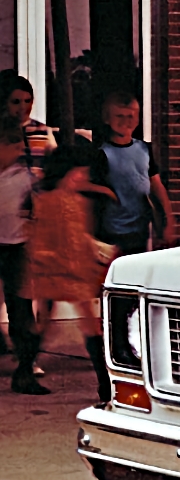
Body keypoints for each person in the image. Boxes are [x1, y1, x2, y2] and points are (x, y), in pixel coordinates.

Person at [23, 145, 115, 400]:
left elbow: (79, 237)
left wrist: (98, 250)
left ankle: (25, 368)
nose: (82, 178)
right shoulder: (49, 203)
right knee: (82, 324)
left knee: (50, 322)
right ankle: (104, 385)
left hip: (69, 271)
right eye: (79, 174)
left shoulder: (74, 201)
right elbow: (41, 238)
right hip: (59, 271)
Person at [90, 89, 176, 254]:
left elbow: (156, 185)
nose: (125, 121)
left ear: (137, 119)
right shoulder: (102, 154)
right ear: (107, 118)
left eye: (130, 116)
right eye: (119, 116)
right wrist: (107, 192)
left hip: (141, 228)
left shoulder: (144, 149)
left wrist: (168, 220)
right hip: (113, 231)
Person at [0, 125, 40, 389]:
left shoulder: (25, 177)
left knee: (21, 310)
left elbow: (36, 207)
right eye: (9, 146)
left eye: (17, 147)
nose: (14, 152)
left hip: (18, 247)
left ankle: (25, 369)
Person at [1, 74, 56, 180]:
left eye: (27, 101)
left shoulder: (43, 131)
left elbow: (55, 165)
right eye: (16, 102)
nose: (23, 107)